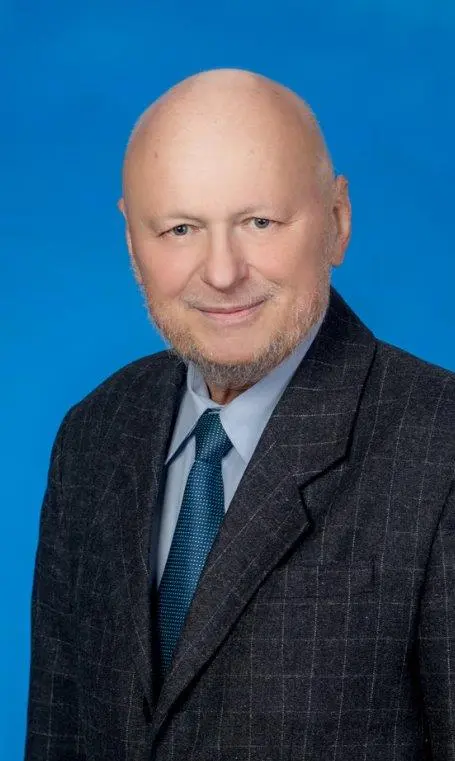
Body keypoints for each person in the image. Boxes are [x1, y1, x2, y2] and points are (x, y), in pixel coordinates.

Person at [25, 68, 455, 761]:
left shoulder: (440, 447)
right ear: (132, 241)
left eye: (259, 222)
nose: (222, 273)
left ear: (337, 221)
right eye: (180, 229)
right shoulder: (93, 434)